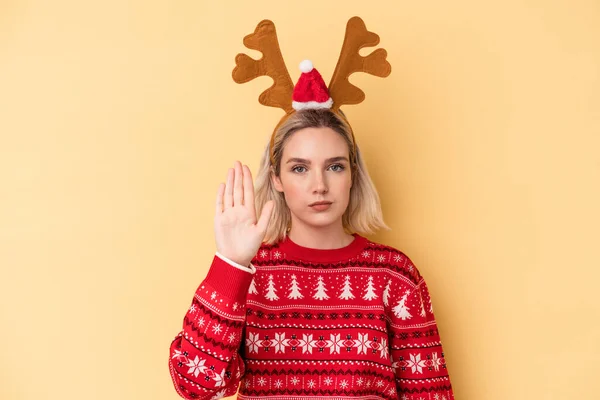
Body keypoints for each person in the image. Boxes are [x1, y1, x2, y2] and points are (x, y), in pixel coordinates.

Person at [169, 17, 454, 400]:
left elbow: (431, 395)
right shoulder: (250, 275)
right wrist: (230, 265)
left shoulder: (394, 276)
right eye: (299, 168)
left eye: (335, 166)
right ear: (276, 179)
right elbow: (195, 384)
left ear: (353, 174)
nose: (319, 185)